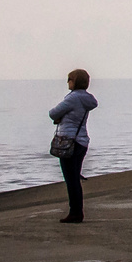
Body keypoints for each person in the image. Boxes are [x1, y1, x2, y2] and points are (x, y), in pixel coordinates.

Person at [49, 69, 97, 223]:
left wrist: (60, 117)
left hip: (69, 142)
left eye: (69, 79)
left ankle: (75, 212)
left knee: (71, 180)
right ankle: (77, 211)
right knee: (75, 177)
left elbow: (53, 113)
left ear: (75, 81)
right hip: (81, 141)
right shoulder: (87, 100)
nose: (67, 82)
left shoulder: (73, 98)